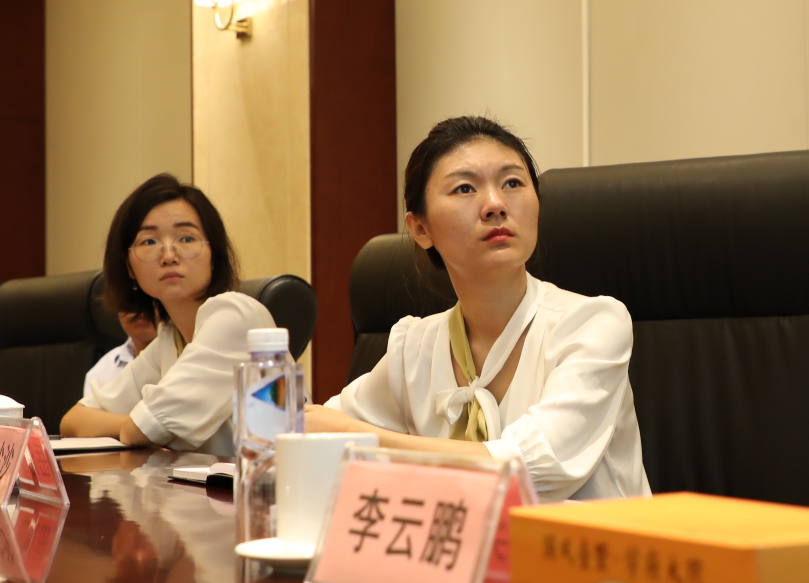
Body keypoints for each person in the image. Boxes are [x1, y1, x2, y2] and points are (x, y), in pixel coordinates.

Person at [306, 116, 649, 503]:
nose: (495, 205)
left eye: (512, 183)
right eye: (465, 188)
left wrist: (357, 438)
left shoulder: (591, 325)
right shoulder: (414, 348)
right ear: (420, 229)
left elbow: (530, 471)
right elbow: (320, 430)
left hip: (593, 541)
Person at [60, 174, 275, 452]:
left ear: (214, 254)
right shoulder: (168, 339)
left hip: (269, 479)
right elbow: (74, 421)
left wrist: (135, 425)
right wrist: (129, 424)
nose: (169, 255)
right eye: (149, 242)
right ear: (128, 266)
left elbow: (147, 429)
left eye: (186, 238)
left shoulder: (237, 317)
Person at [86, 311, 159, 394]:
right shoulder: (100, 372)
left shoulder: (171, 365)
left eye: (150, 304)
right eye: (130, 304)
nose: (140, 310)